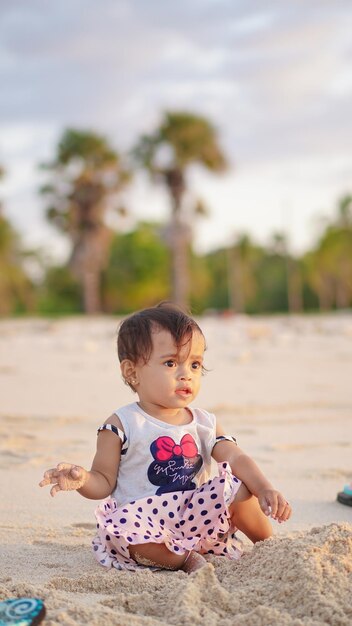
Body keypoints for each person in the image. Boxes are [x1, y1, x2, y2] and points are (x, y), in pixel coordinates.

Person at [39, 303, 292, 573]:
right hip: (146, 524)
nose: (186, 374)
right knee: (124, 531)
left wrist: (264, 487)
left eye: (195, 364)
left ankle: (269, 546)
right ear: (131, 372)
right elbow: (103, 482)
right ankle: (183, 560)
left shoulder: (205, 423)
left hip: (198, 517)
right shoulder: (121, 424)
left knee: (238, 488)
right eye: (171, 362)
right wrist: (82, 480)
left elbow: (236, 456)